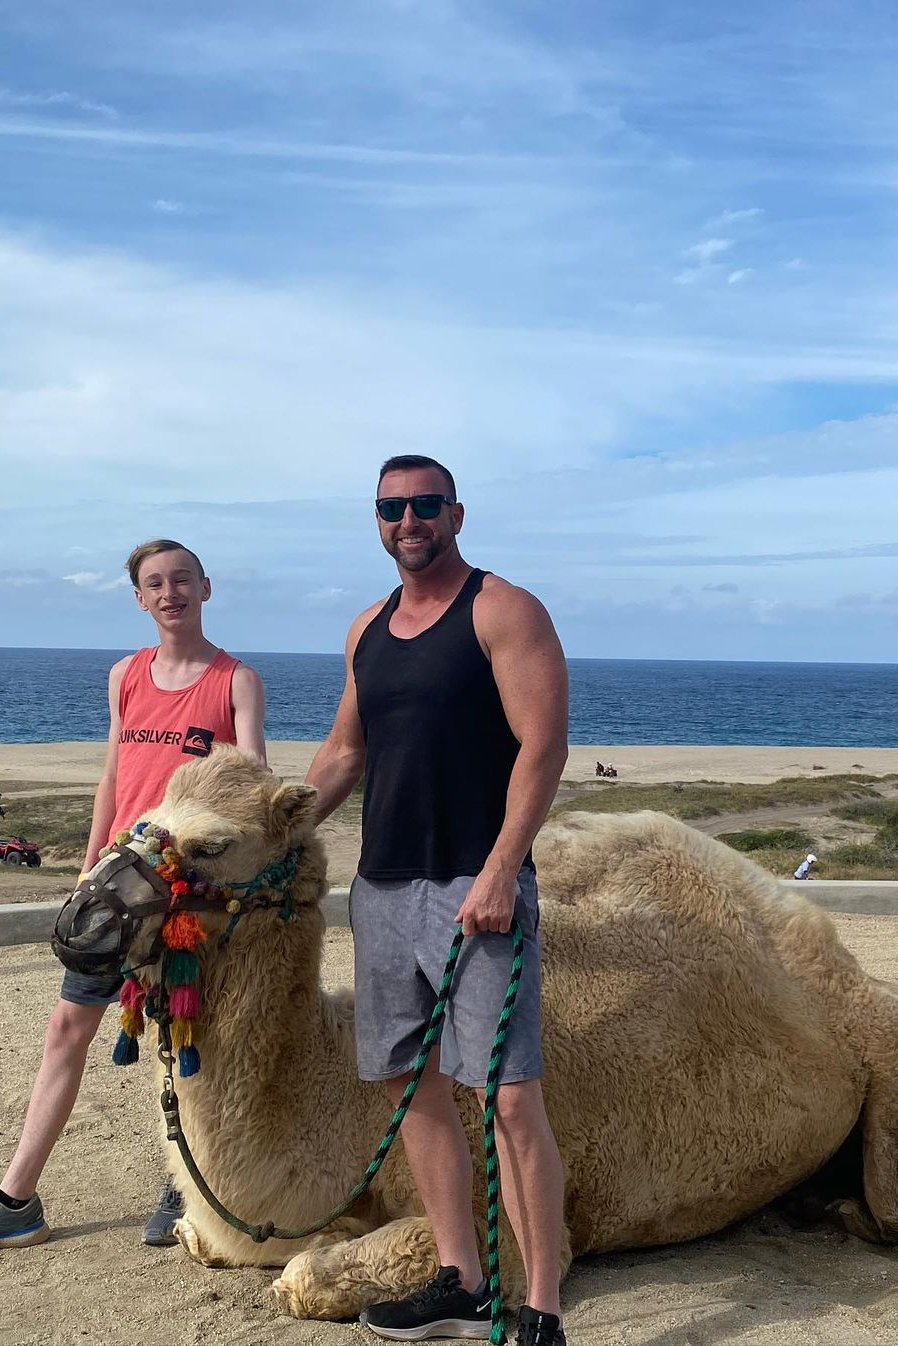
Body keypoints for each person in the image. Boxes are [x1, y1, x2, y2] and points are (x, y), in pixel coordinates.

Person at [0, 539, 267, 1260]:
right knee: (68, 1029)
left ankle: (185, 1187)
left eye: (182, 580)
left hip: (187, 894)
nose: (170, 593)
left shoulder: (236, 680)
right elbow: (114, 775)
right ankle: (15, 1201)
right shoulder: (125, 676)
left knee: (189, 1040)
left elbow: (251, 786)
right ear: (140, 599)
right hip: (117, 890)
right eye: (154, 584)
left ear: (206, 588)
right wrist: (88, 867)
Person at [305, 457, 569, 1346]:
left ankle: (541, 1307)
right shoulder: (366, 628)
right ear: (377, 519)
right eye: (391, 507)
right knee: (406, 1083)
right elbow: (345, 753)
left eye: (424, 504)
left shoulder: (504, 610)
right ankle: (462, 1278)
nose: (408, 520)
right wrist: (273, 829)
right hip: (381, 886)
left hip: (474, 887)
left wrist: (502, 870)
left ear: (455, 514)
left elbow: (542, 746)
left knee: (508, 1099)